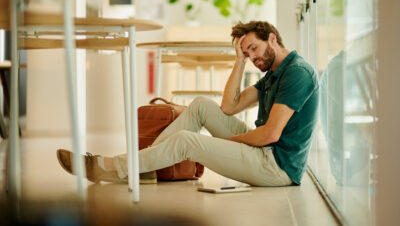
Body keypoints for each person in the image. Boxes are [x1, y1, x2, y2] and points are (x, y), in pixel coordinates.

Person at [57, 21, 319, 186]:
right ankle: (145, 168)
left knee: (186, 141)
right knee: (202, 105)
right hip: (264, 151)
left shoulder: (297, 72)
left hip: (276, 165)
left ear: (272, 38)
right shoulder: (273, 73)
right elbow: (229, 106)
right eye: (246, 53)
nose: (251, 57)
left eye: (253, 48)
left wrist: (222, 145)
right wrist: (237, 61)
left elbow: (270, 134)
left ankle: (114, 167)